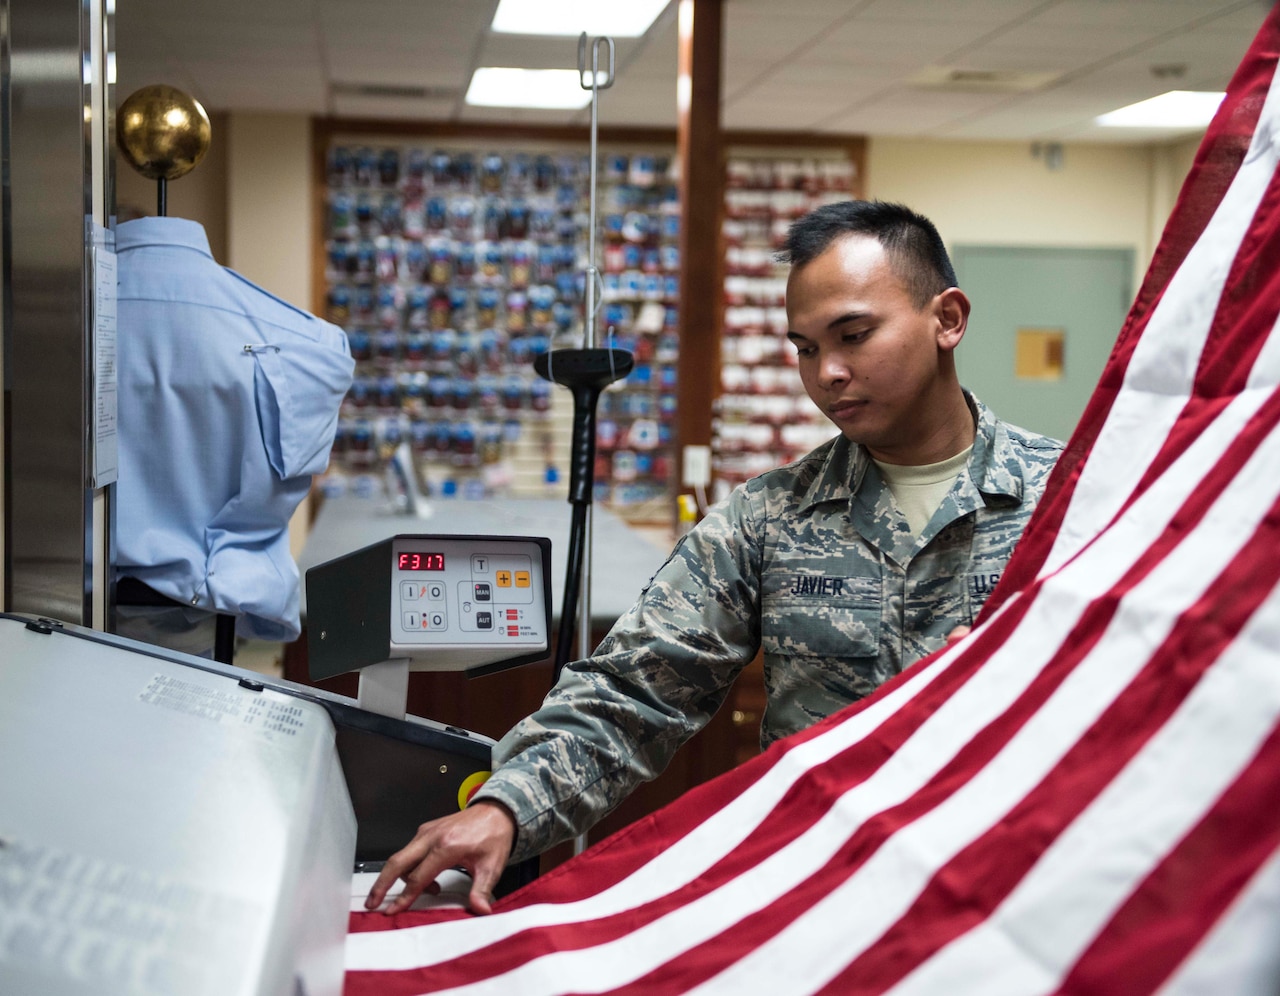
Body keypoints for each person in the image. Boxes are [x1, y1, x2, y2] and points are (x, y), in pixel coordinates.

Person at [366, 199, 1064, 915]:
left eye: (854, 335)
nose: (826, 373)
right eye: (804, 347)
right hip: (819, 890)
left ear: (947, 319)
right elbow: (634, 690)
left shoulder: (1071, 500)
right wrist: (508, 807)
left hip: (1012, 885)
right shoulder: (770, 518)